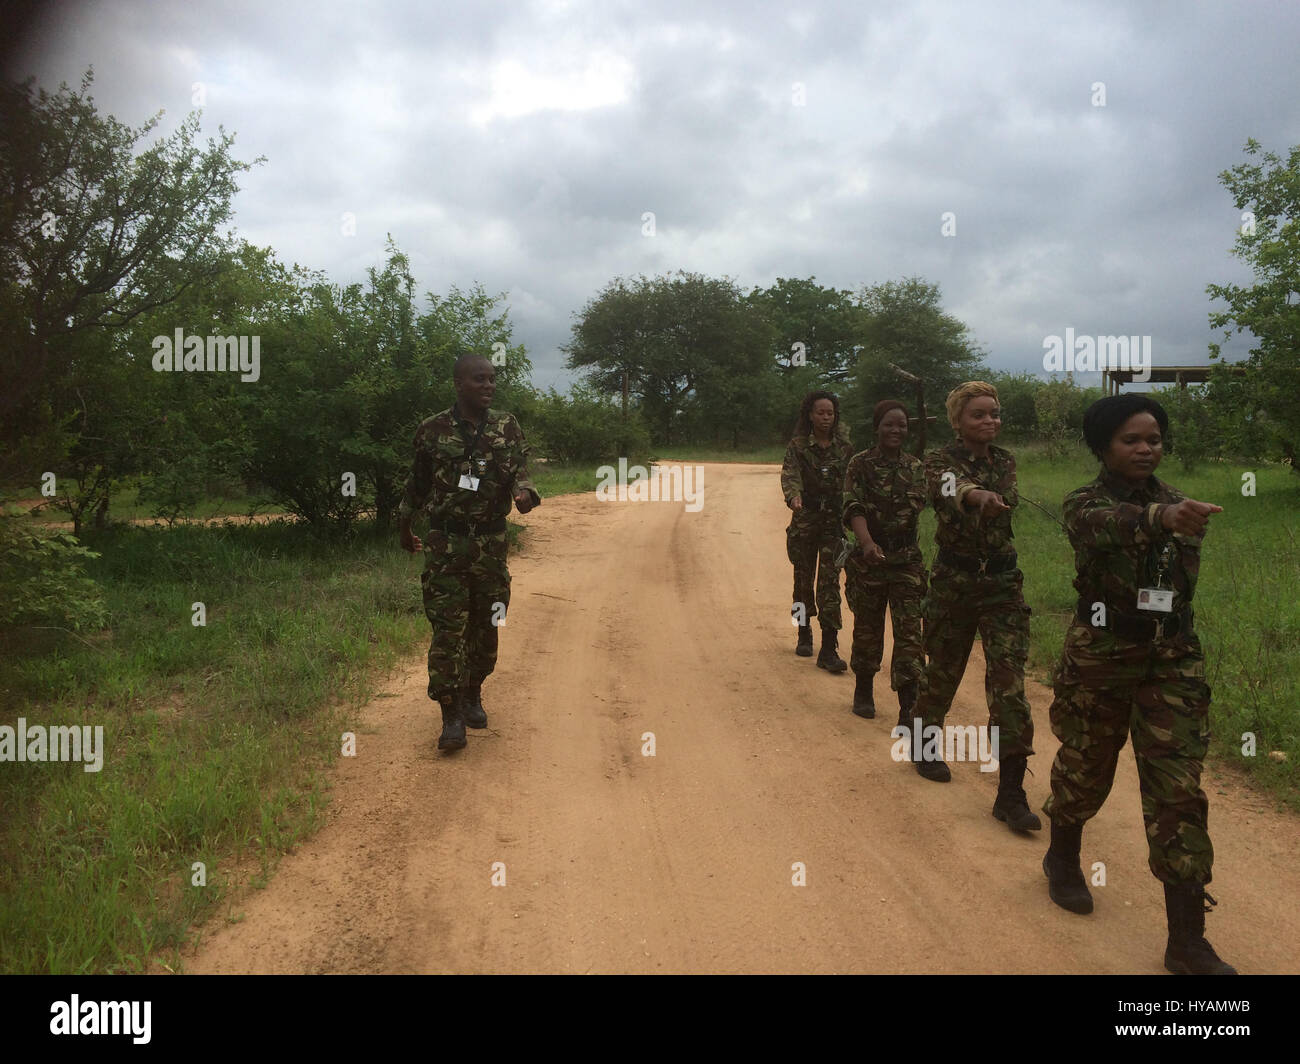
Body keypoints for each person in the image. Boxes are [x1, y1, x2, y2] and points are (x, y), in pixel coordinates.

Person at [1041, 394, 1235, 975]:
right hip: (1101, 655)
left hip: (1171, 659)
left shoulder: (1183, 503)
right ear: (1104, 447)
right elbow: (1109, 525)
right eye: (1132, 439)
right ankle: (1064, 856)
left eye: (1153, 438)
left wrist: (1173, 515)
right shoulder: (1084, 504)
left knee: (1179, 791)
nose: (1146, 448)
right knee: (1087, 764)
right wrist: (1162, 519)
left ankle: (1187, 940)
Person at [911, 382, 1040, 835]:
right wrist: (976, 496)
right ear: (958, 422)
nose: (990, 421)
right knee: (943, 670)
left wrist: (988, 496)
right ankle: (923, 741)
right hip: (955, 582)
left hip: (1003, 581)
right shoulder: (938, 461)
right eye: (979, 415)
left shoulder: (1005, 460)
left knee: (1009, 686)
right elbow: (949, 488)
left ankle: (1010, 794)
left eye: (995, 414)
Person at [398, 354, 541, 752]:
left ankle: (474, 688)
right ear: (459, 384)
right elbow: (417, 484)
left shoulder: (506, 426)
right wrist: (404, 527)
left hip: (491, 545)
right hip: (446, 544)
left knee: (489, 621)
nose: (489, 386)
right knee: (448, 629)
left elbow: (518, 468)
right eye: (480, 379)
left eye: (492, 380)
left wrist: (524, 491)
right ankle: (451, 714)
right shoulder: (432, 430)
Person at [841, 400, 927, 725]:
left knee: (909, 634)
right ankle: (863, 687)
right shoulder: (859, 464)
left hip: (906, 562)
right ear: (877, 427)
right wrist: (866, 543)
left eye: (902, 425)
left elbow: (916, 508)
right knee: (867, 628)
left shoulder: (916, 468)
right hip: (869, 561)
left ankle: (908, 705)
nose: (896, 430)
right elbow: (853, 506)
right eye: (889, 424)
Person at [781, 391, 854, 672]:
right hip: (805, 520)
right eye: (820, 412)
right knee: (802, 580)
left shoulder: (845, 448)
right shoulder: (798, 446)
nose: (826, 417)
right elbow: (790, 475)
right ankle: (803, 630)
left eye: (830, 413)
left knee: (829, 584)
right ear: (810, 415)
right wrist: (794, 496)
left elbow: (852, 480)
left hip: (833, 524)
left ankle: (829, 647)